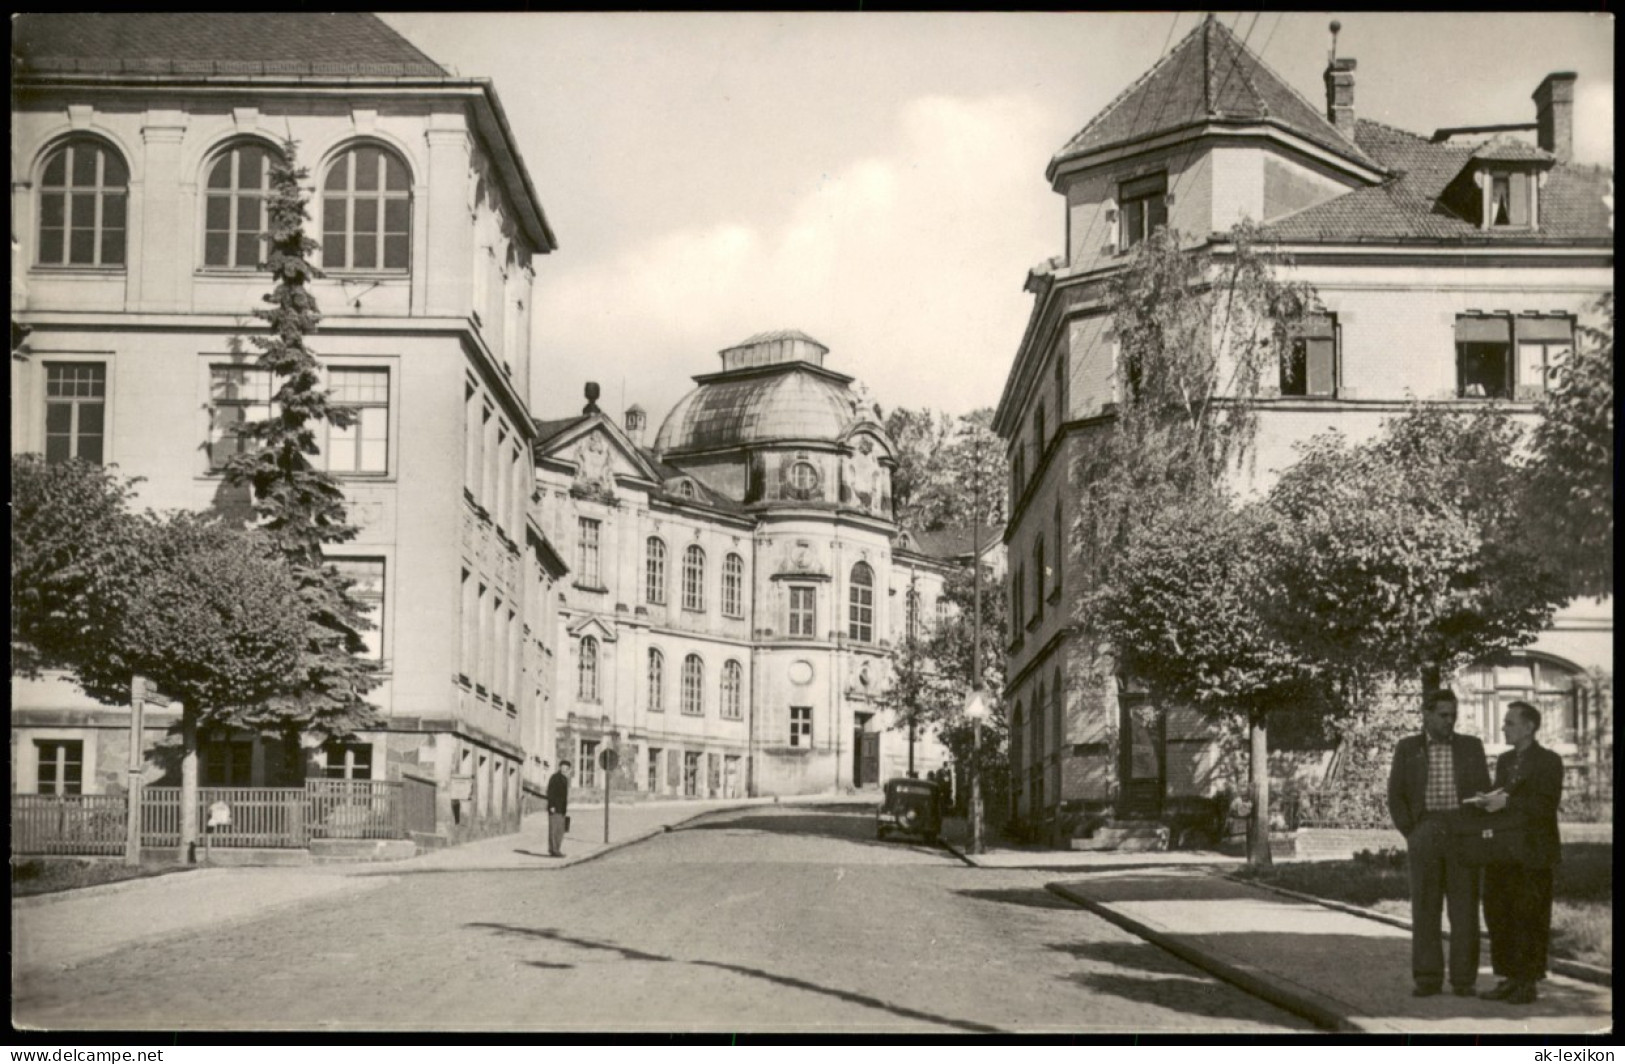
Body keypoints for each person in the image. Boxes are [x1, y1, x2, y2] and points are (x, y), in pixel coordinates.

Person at [1386, 688, 1493, 998]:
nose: (1450, 721)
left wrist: (1474, 827)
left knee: (1465, 910)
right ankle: (1428, 978)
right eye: (1444, 715)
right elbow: (1396, 795)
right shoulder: (1408, 749)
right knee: (1425, 907)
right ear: (1427, 715)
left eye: (1453, 715)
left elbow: (1483, 790)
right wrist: (1413, 832)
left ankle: (1463, 980)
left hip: (1462, 832)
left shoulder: (1471, 747)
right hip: (1425, 830)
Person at [1477, 701, 1564, 1005]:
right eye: (1505, 722)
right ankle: (1509, 978)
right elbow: (1504, 797)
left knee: (1529, 917)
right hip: (1502, 851)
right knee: (1499, 914)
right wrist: (1486, 801)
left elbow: (1545, 805)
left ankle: (1527, 982)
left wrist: (1507, 803)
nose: (1504, 727)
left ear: (1529, 727)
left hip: (1533, 854)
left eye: (1510, 723)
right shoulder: (1503, 761)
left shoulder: (1549, 761)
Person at [546, 760, 572, 857]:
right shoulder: (555, 777)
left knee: (560, 830)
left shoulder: (565, 779)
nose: (564, 768)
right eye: (563, 766)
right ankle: (553, 850)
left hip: (562, 809)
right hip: (555, 808)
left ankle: (557, 849)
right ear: (560, 767)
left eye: (566, 767)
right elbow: (550, 792)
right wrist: (551, 805)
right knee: (553, 829)